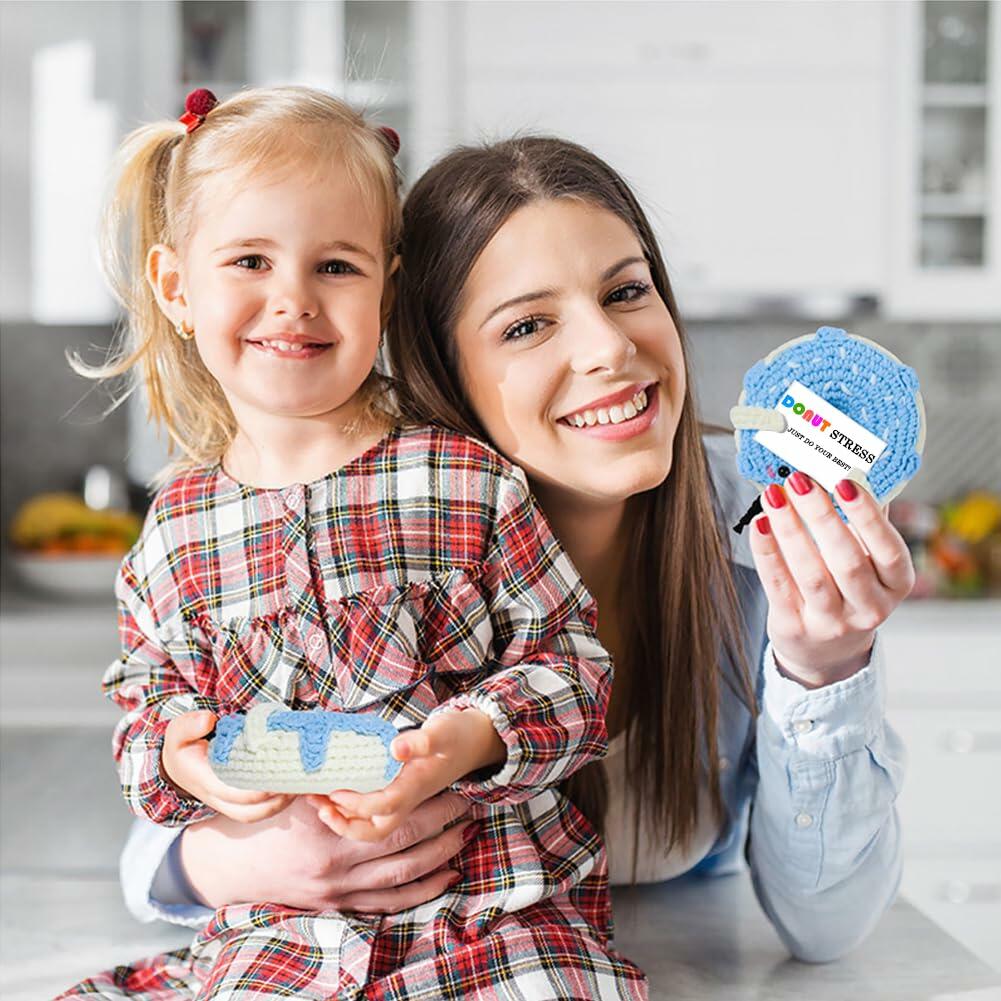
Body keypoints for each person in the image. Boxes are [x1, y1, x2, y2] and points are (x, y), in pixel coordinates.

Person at [123, 135, 911, 969]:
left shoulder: (761, 533)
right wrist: (237, 862)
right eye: (528, 324)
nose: (609, 347)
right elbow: (160, 834)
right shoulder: (381, 548)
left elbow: (826, 927)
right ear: (440, 372)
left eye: (626, 290)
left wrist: (825, 668)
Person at [57, 97, 648, 1000]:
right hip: (285, 936)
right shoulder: (174, 528)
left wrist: (470, 738)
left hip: (492, 913)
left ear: (387, 288)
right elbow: (147, 702)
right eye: (250, 260)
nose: (293, 297)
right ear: (176, 287)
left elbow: (573, 664)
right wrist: (178, 755)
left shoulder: (468, 480)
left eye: (336, 265)